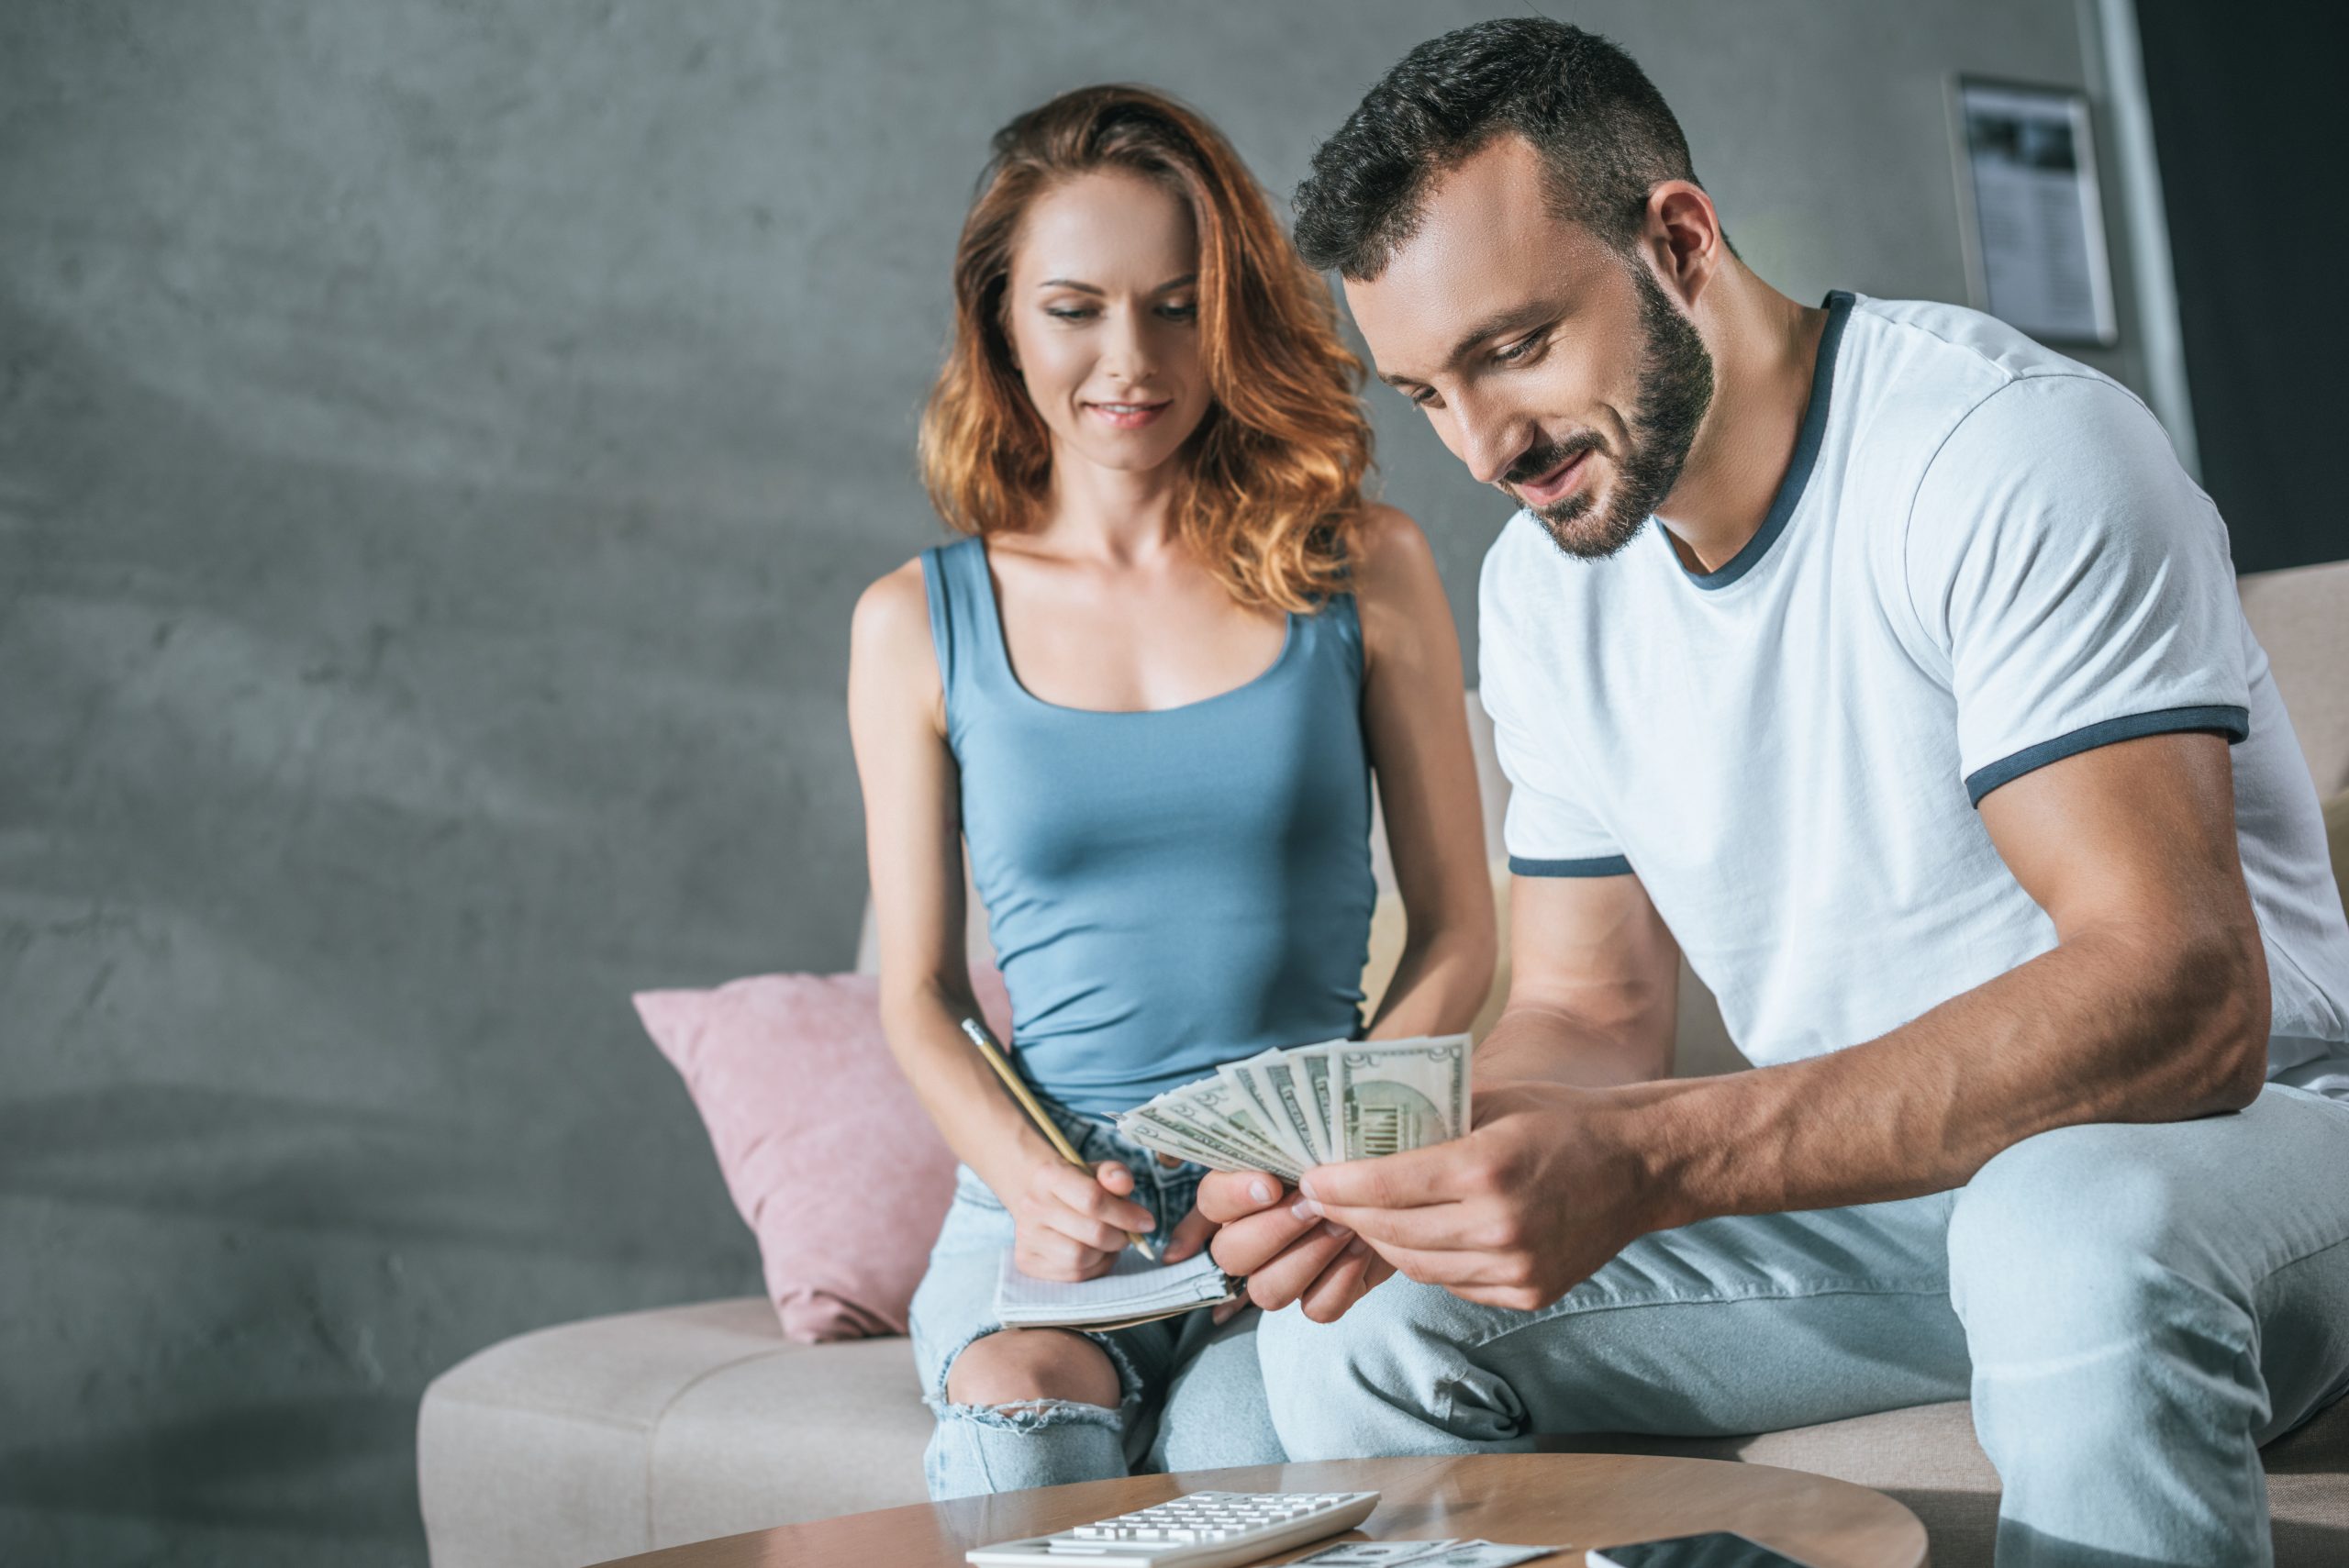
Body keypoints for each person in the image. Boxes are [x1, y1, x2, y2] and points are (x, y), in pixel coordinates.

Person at [1199, 20, 2349, 1567]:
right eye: (1425, 392)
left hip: (2225, 1141)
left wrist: (1656, 1156)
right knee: (1360, 1323)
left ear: (1678, 238)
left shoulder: (2000, 450)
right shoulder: (1552, 585)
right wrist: (1404, 1164)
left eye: (1514, 348)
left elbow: (2183, 994)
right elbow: (1590, 1011)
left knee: (2061, 1237)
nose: (1485, 447)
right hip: (1886, 1180)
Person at [848, 83, 1494, 1500]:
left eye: (1175, 305)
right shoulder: (913, 621)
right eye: (1074, 307)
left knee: (1244, 1463)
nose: (1127, 358)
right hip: (1051, 1211)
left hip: (1293, 1214)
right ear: (1001, 321)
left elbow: (1459, 932)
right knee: (1020, 1423)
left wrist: (1330, 1169)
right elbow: (917, 990)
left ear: (1232, 314)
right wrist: (1027, 1179)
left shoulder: (1366, 565)